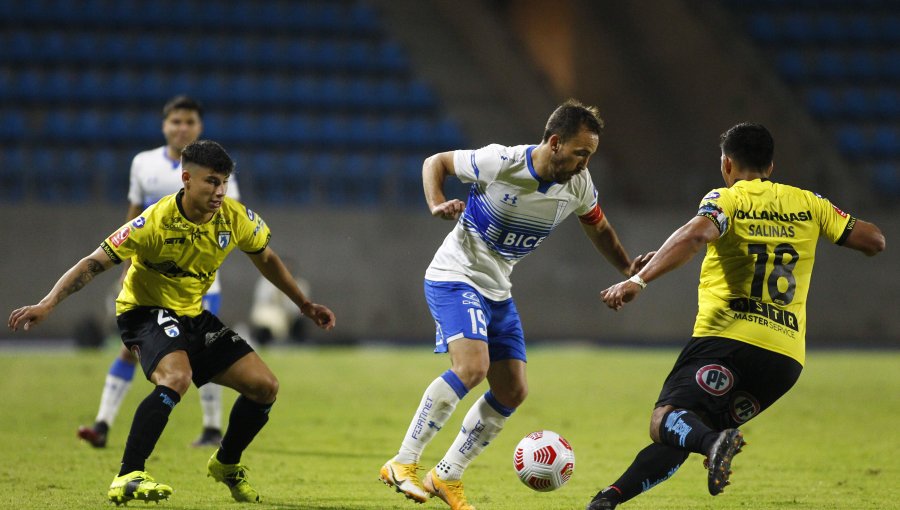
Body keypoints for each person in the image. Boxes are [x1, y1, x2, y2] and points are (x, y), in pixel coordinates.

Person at [8, 140, 336, 505]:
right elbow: (93, 262)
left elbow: (267, 259)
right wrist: (47, 303)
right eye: (211, 182)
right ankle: (128, 474)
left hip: (192, 315)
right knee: (176, 378)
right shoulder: (153, 222)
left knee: (265, 387)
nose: (220, 191)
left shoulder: (234, 217)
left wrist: (303, 304)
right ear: (186, 179)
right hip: (143, 311)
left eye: (224, 182)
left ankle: (226, 463)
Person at [587, 123, 885, 509]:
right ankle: (607, 501)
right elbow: (875, 240)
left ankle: (712, 445)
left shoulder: (728, 199)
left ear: (727, 164)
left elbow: (696, 235)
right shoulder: (811, 204)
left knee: (667, 420)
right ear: (772, 166)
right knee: (688, 428)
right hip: (783, 359)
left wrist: (639, 281)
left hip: (726, 341)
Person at [379, 99, 650, 510]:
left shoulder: (578, 185)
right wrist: (436, 202)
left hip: (497, 290)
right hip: (456, 276)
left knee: (512, 390)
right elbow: (435, 162)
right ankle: (403, 461)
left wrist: (627, 267)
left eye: (590, 155)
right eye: (581, 152)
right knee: (472, 368)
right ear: (556, 143)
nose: (585, 162)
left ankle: (446, 475)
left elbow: (600, 227)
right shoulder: (500, 161)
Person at [77, 95, 237, 449]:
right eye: (176, 122)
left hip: (198, 286)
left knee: (201, 351)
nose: (183, 128)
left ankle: (212, 427)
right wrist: (127, 263)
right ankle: (102, 423)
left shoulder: (214, 172)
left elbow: (227, 226)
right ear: (165, 125)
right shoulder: (143, 164)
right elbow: (133, 217)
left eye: (190, 122)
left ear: (200, 127)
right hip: (148, 281)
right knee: (128, 348)